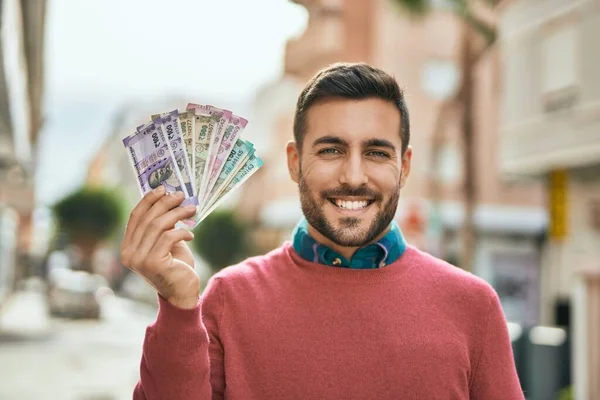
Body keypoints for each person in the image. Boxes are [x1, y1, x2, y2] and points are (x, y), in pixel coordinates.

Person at [121, 63, 524, 399]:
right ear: (295, 162)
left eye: (377, 152)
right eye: (331, 150)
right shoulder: (229, 299)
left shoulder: (473, 307)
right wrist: (177, 307)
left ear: (404, 167)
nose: (353, 176)